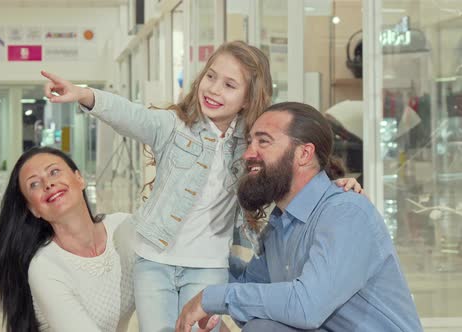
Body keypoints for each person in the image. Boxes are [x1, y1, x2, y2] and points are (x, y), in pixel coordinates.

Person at [42, 41, 362, 332]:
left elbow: (291, 164)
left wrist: (335, 185)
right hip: (155, 260)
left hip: (208, 267)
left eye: (229, 85)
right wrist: (84, 94)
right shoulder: (174, 127)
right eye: (210, 77)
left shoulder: (250, 143)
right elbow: (131, 115)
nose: (214, 89)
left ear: (247, 99)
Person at [176, 102, 423, 332]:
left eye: (263, 142)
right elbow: (254, 289)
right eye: (250, 142)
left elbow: (307, 306)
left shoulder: (345, 212)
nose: (248, 154)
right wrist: (203, 255)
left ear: (304, 155)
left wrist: (213, 298)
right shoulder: (280, 223)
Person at [0, 147, 136, 332]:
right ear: (33, 209)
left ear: (79, 179)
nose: (48, 184)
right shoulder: (45, 267)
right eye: (34, 184)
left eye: (54, 172)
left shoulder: (123, 227)